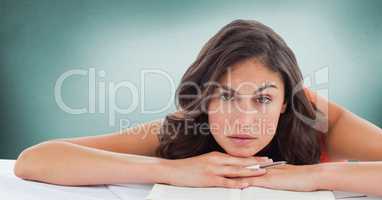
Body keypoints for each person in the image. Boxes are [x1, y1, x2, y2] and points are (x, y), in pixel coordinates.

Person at [14, 19, 382, 196]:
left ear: (287, 101)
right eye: (225, 96)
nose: (244, 118)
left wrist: (316, 176)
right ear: (204, 98)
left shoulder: (313, 116)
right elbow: (36, 159)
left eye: (264, 98)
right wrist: (173, 170)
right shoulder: (188, 129)